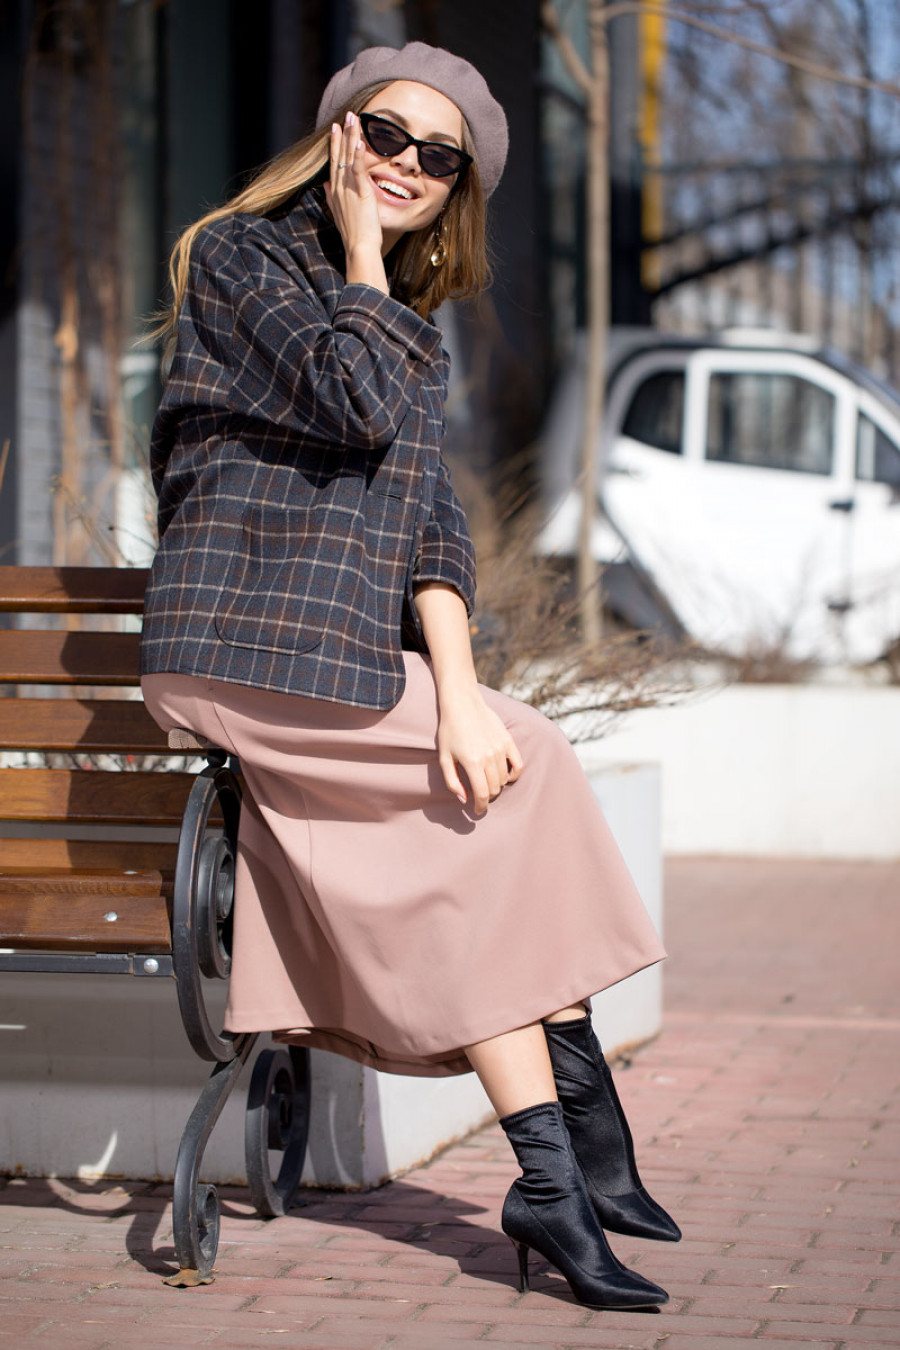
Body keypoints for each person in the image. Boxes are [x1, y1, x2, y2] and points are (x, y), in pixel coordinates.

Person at [140, 41, 680, 1311]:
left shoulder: (402, 324)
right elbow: (355, 401)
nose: (406, 165)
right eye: (385, 134)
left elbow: (433, 527)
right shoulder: (245, 260)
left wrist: (458, 696)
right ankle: (577, 1140)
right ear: (337, 136)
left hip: (325, 658)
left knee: (512, 773)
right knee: (511, 795)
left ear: (457, 193)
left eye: (439, 159)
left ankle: (559, 1167)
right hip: (245, 644)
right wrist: (366, 262)